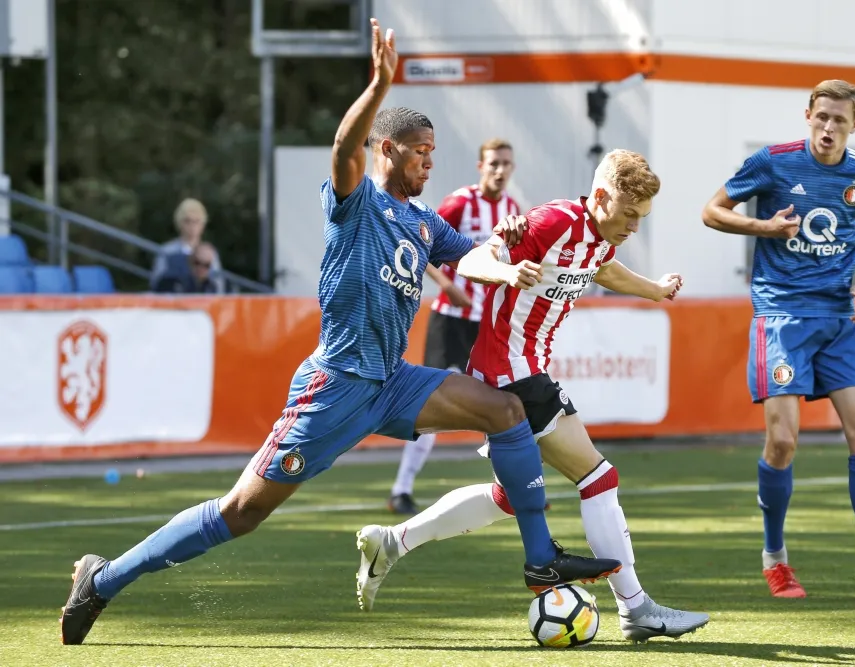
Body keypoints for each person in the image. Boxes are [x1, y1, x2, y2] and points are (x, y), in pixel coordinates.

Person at [58, 19, 620, 646]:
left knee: (506, 410)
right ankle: (103, 579)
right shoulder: (356, 203)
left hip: (392, 382)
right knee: (242, 512)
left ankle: (541, 560)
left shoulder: (423, 222)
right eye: (419, 151)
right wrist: (378, 86)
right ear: (388, 151)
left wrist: (507, 260)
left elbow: (472, 258)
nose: (429, 162)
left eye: (433, 153)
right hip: (336, 386)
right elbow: (343, 148)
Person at [355, 149, 710, 643]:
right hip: (513, 372)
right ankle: (637, 608)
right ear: (600, 197)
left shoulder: (598, 237)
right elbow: (483, 255)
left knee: (509, 496)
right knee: (599, 478)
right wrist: (503, 264)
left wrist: (654, 290)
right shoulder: (553, 221)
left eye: (642, 218)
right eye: (629, 214)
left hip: (517, 369)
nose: (634, 226)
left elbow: (603, 269)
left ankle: (393, 541)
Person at [701, 79, 855, 599]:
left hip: (838, 321)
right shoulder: (774, 162)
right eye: (822, 117)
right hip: (781, 318)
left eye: (839, 120)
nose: (828, 127)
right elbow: (711, 211)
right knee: (783, 440)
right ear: (808, 115)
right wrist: (766, 229)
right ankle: (775, 559)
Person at [389, 138, 520, 514]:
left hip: (487, 324)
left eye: (506, 163)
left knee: (501, 403)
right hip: (450, 320)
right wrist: (447, 285)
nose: (500, 170)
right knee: (428, 403)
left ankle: (513, 488)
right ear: (481, 166)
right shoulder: (460, 202)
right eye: (493, 163)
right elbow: (418, 242)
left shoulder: (512, 210)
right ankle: (401, 489)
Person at [150, 198, 223, 291]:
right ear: (179, 223)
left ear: (202, 225)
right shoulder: (167, 252)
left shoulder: (209, 253)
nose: (192, 226)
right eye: (187, 221)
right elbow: (156, 283)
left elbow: (218, 285)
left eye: (196, 221)